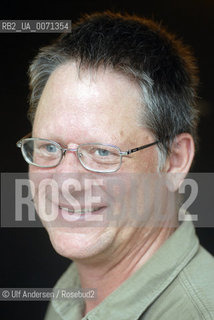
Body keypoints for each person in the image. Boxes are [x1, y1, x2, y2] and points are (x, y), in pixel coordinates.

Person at [17, 11, 214, 319]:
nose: (67, 182)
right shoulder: (68, 298)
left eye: (102, 152)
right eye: (49, 147)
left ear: (175, 161)